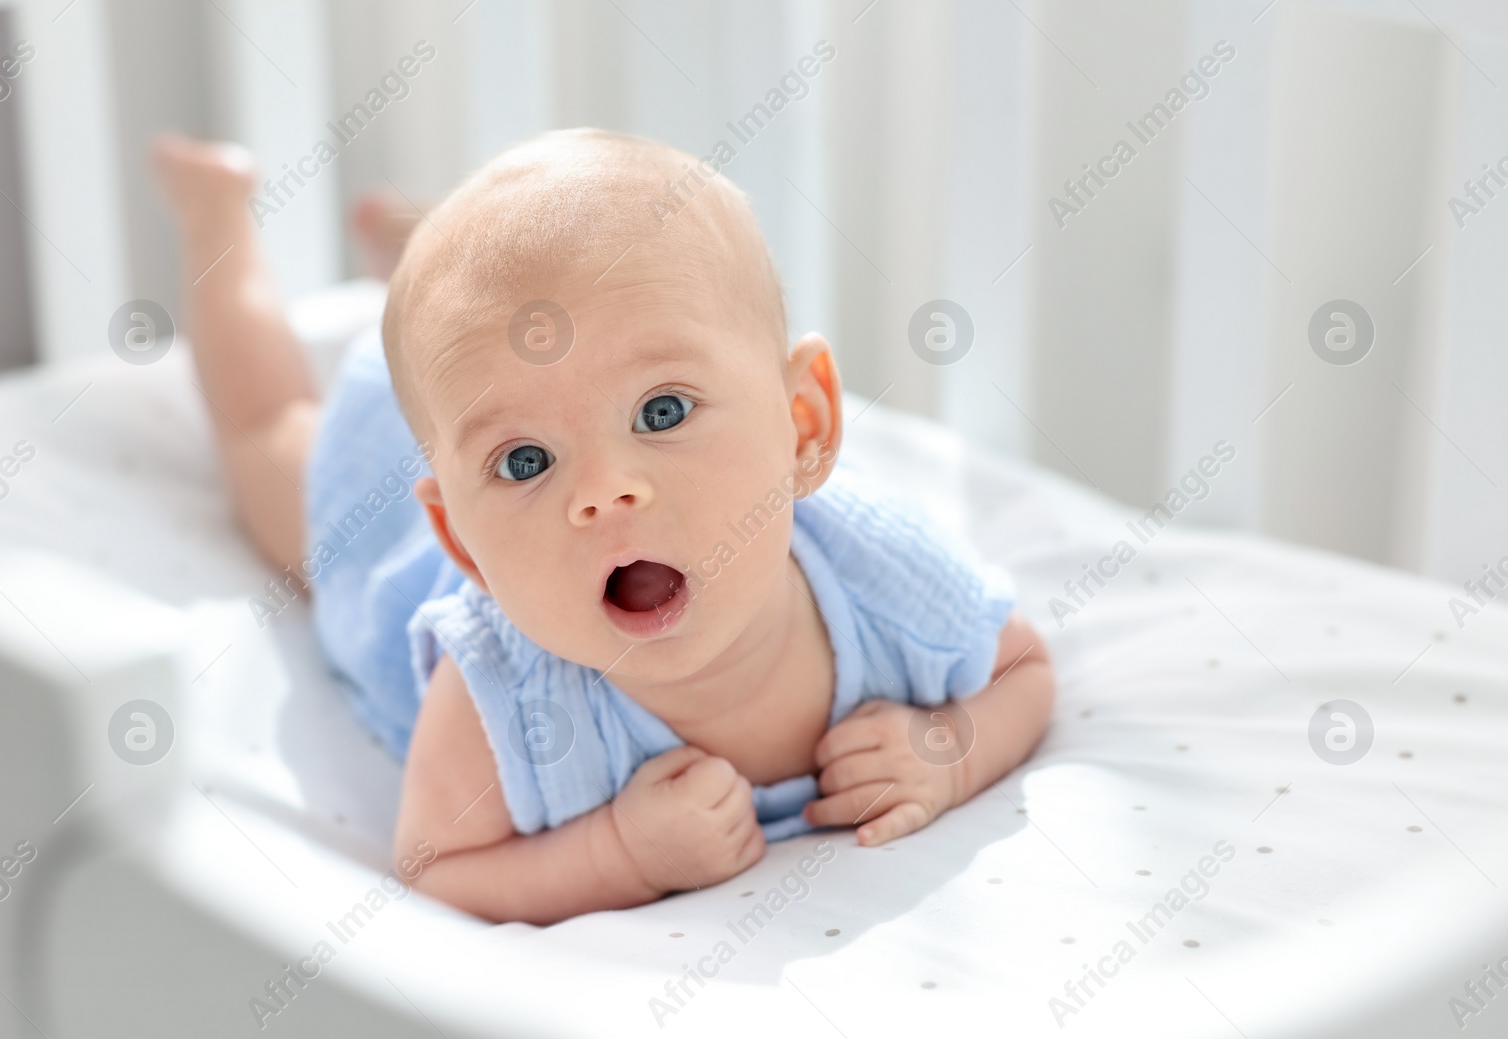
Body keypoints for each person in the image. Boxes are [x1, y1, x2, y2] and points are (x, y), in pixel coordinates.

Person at [152, 128, 1054, 925]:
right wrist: (618, 855)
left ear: (804, 427)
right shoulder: (497, 688)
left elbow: (1023, 666)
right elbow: (438, 868)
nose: (604, 492)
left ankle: (427, 266)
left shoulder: (872, 566)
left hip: (491, 401)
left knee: (513, 338)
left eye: (662, 411)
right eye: (530, 463)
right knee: (270, 438)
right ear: (463, 544)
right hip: (385, 537)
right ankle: (218, 221)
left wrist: (947, 754)